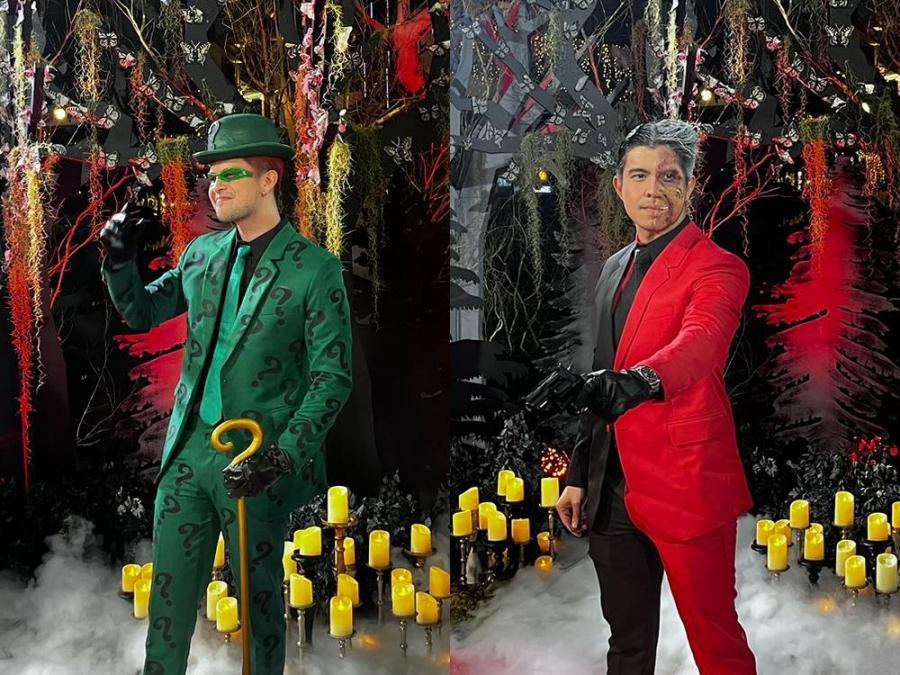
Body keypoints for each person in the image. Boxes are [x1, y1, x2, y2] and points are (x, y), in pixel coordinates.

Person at [99, 113, 353, 675]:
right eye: (211, 176)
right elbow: (142, 311)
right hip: (188, 453)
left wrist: (282, 456)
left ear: (269, 179)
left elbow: (332, 378)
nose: (215, 185)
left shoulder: (315, 269)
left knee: (261, 606)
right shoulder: (201, 254)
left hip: (257, 454)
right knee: (169, 600)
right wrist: (118, 261)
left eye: (229, 173)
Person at [555, 119, 757, 675]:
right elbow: (601, 375)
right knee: (626, 643)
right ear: (619, 186)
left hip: (686, 484)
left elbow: (700, 346)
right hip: (612, 488)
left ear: (689, 186)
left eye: (669, 177)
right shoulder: (614, 268)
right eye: (640, 176)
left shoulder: (718, 267)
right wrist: (579, 473)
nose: (653, 190)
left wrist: (640, 381)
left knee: (716, 643)